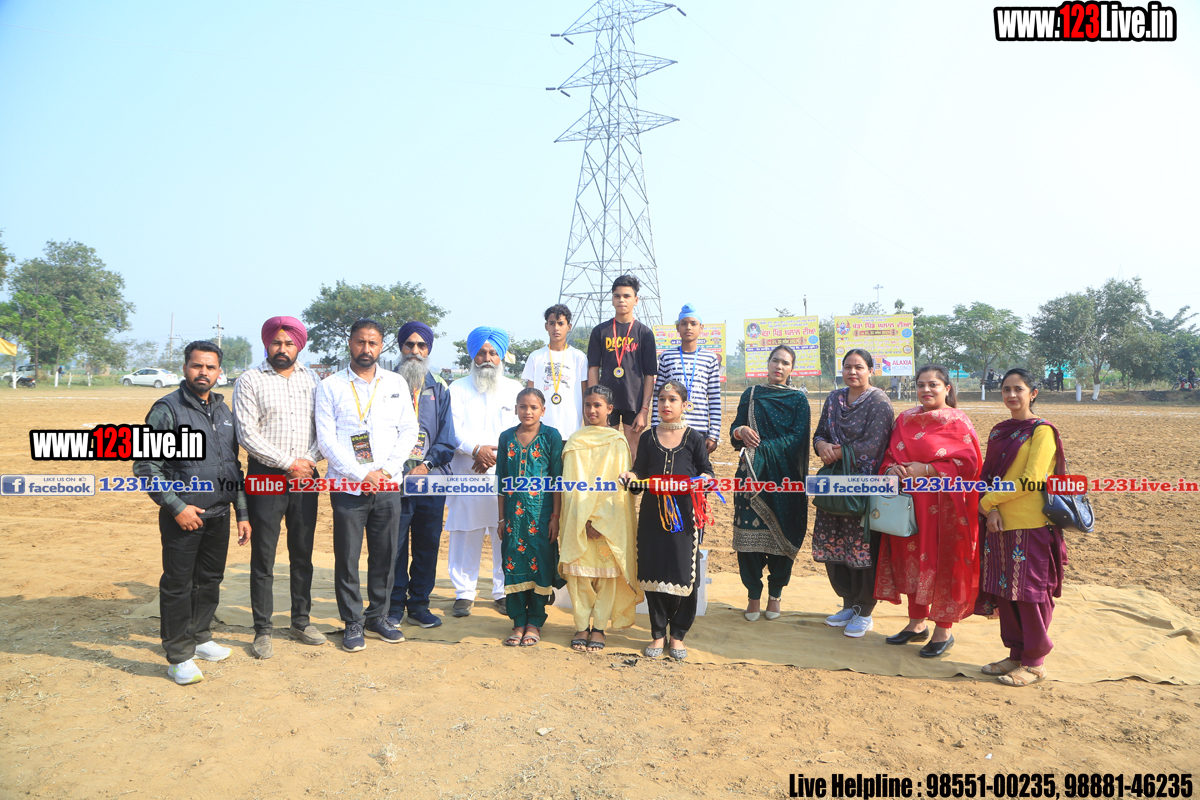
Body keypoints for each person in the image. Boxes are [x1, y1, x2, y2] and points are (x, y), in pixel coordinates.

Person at [133, 340, 251, 685]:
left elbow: (233, 467)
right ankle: (179, 655)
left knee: (210, 580)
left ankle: (200, 636)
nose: (203, 372)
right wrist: (177, 507)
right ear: (185, 368)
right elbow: (146, 466)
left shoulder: (224, 411)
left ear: (219, 372)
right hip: (183, 517)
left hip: (219, 515)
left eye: (210, 367)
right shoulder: (167, 409)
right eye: (197, 365)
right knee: (178, 585)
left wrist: (242, 513)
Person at [314, 319, 418, 652]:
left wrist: (385, 471)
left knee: (385, 555)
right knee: (347, 557)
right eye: (360, 342)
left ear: (381, 346)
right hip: (348, 487)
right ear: (350, 343)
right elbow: (326, 440)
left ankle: (378, 617)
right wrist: (362, 475)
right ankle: (352, 622)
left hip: (388, 485)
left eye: (372, 343)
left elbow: (409, 430)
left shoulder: (396, 382)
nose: (366, 349)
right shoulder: (330, 386)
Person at [232, 316, 325, 659]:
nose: (282, 348)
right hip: (266, 477)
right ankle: (263, 629)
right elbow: (247, 434)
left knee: (302, 552)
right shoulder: (249, 380)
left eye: (289, 343)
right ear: (266, 344)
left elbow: (323, 428)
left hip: (306, 477)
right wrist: (289, 463)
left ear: (298, 345)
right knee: (264, 556)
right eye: (276, 342)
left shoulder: (313, 379)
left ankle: (301, 621)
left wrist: (307, 461)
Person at [875, 364, 982, 658]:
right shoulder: (905, 419)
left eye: (933, 384)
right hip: (908, 506)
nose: (926, 389)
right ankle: (917, 623)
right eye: (921, 384)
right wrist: (892, 469)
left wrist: (928, 469)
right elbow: (889, 455)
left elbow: (969, 464)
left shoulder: (958, 421)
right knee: (911, 560)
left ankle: (943, 630)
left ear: (947, 388)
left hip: (944, 507)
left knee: (942, 563)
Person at [975, 368, 1069, 686]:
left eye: (1018, 389)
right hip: (1000, 524)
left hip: (1032, 525)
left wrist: (989, 501)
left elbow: (1032, 479)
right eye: (1006, 389)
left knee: (1030, 595)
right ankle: (1015, 655)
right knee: (1007, 593)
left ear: (1033, 394)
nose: (1012, 395)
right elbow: (989, 475)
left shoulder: (1042, 431)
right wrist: (991, 510)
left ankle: (1035, 663)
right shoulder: (1000, 431)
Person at [621, 380, 715, 661]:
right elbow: (639, 470)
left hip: (686, 517)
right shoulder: (648, 437)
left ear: (684, 405)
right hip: (652, 514)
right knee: (654, 571)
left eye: (672, 399)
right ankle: (658, 633)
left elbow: (707, 471)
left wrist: (705, 479)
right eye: (661, 399)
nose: (666, 404)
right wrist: (630, 477)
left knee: (684, 573)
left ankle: (678, 635)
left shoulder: (694, 438)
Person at [811, 349, 896, 638]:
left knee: (862, 547)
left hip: (863, 485)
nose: (852, 372)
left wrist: (838, 452)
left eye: (859, 367)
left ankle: (864, 610)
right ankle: (848, 604)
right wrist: (821, 445)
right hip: (834, 481)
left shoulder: (879, 401)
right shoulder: (834, 398)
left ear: (871, 370)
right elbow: (820, 433)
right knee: (834, 545)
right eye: (847, 367)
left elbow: (875, 444)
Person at [729, 345, 810, 623]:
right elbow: (734, 429)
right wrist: (741, 431)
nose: (779, 366)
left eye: (785, 363)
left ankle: (775, 594)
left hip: (785, 479)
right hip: (751, 475)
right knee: (748, 538)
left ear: (791, 369)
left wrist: (761, 450)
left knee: (783, 532)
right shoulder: (751, 394)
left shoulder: (798, 400)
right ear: (768, 363)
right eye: (775, 360)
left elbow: (797, 438)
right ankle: (753, 595)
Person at [559, 385, 641, 652]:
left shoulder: (618, 442)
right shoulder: (574, 441)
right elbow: (570, 486)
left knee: (606, 579)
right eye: (588, 405)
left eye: (597, 405)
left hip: (606, 525)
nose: (592, 410)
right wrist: (582, 520)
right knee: (579, 577)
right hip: (578, 522)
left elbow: (618, 490)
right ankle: (581, 626)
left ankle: (599, 628)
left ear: (609, 409)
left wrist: (599, 522)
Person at [446, 327, 521, 617]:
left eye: (493, 353)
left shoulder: (514, 389)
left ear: (501, 357)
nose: (487, 358)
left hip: (504, 471)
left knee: (504, 532)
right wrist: (476, 449)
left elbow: (521, 429)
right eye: (481, 353)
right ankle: (464, 592)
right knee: (466, 531)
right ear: (472, 356)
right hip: (467, 470)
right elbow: (452, 429)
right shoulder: (457, 388)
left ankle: (502, 591)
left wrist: (494, 454)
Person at [387, 321, 456, 630]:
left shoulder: (439, 386)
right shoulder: (385, 383)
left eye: (421, 346)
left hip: (431, 477)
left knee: (427, 545)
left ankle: (419, 605)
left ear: (428, 350)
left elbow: (447, 437)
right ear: (400, 347)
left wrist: (425, 465)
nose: (415, 351)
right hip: (394, 479)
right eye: (409, 345)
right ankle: (392, 607)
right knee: (394, 545)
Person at [495, 388, 564, 647]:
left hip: (541, 516)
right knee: (513, 563)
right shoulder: (506, 437)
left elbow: (557, 480)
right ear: (516, 409)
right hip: (513, 519)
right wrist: (501, 519)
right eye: (523, 406)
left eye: (534, 407)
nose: (528, 411)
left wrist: (555, 517)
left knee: (541, 564)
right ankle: (517, 622)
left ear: (543, 410)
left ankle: (534, 622)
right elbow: (501, 481)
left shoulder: (551, 436)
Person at [587, 274, 657, 459]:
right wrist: (595, 402)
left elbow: (649, 375)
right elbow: (593, 368)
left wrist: (644, 410)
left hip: (633, 400)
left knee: (633, 451)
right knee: (604, 450)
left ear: (636, 300)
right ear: (612, 299)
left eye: (627, 296)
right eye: (617, 296)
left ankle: (630, 480)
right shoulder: (600, 331)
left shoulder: (645, 333)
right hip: (605, 400)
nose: (621, 300)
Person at [653, 303, 722, 455]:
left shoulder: (710, 358)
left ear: (701, 328)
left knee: (696, 469)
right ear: (677, 328)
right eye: (684, 323)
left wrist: (714, 435)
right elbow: (658, 395)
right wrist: (654, 427)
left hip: (699, 429)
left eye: (693, 323)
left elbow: (714, 398)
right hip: (670, 427)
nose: (688, 327)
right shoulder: (666, 357)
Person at [523, 304, 589, 440]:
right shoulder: (535, 357)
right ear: (546, 326)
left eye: (560, 323)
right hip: (541, 429)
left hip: (570, 428)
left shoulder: (578, 357)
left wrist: (588, 427)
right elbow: (530, 393)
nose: (556, 328)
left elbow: (585, 393)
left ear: (569, 327)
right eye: (552, 323)